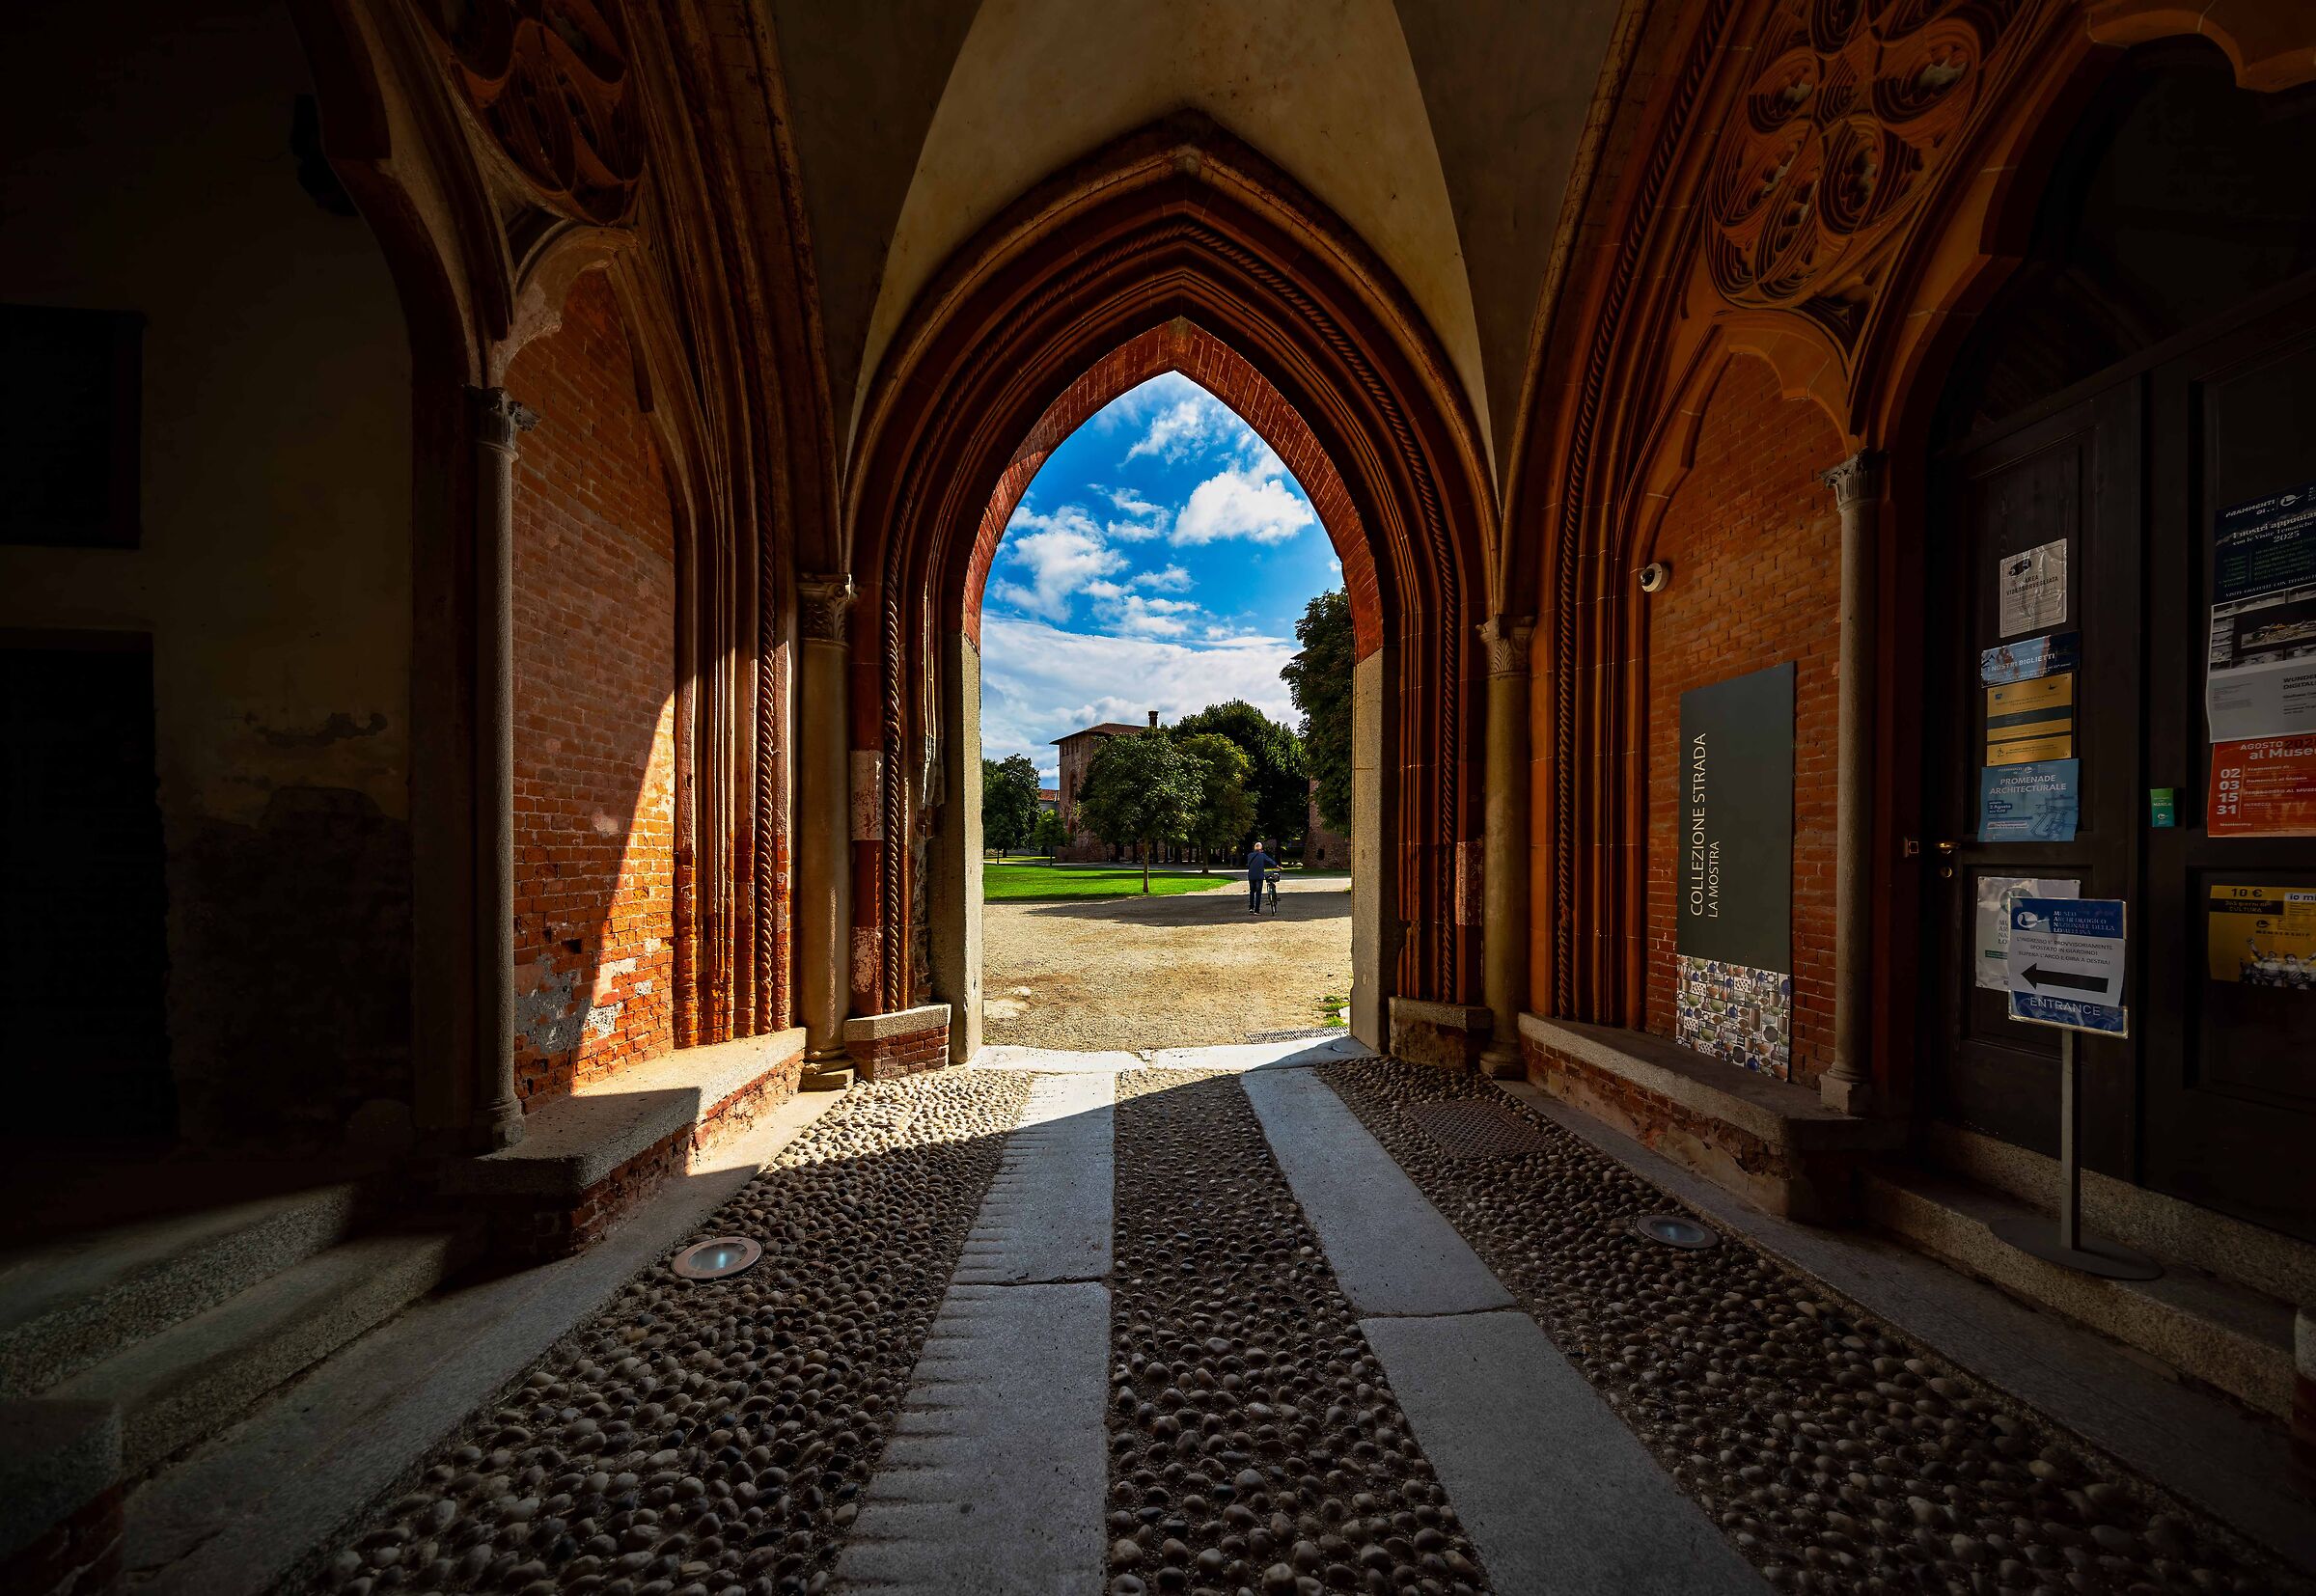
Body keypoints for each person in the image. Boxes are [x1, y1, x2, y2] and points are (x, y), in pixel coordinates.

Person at [1246, 839, 1276, 913]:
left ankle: (1251, 908)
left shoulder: (1249, 855)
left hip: (1251, 876)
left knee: (1252, 891)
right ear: (1261, 849)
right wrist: (1277, 866)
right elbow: (1270, 861)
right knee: (1258, 893)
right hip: (1259, 876)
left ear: (1254, 848)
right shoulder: (1262, 855)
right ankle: (1257, 910)